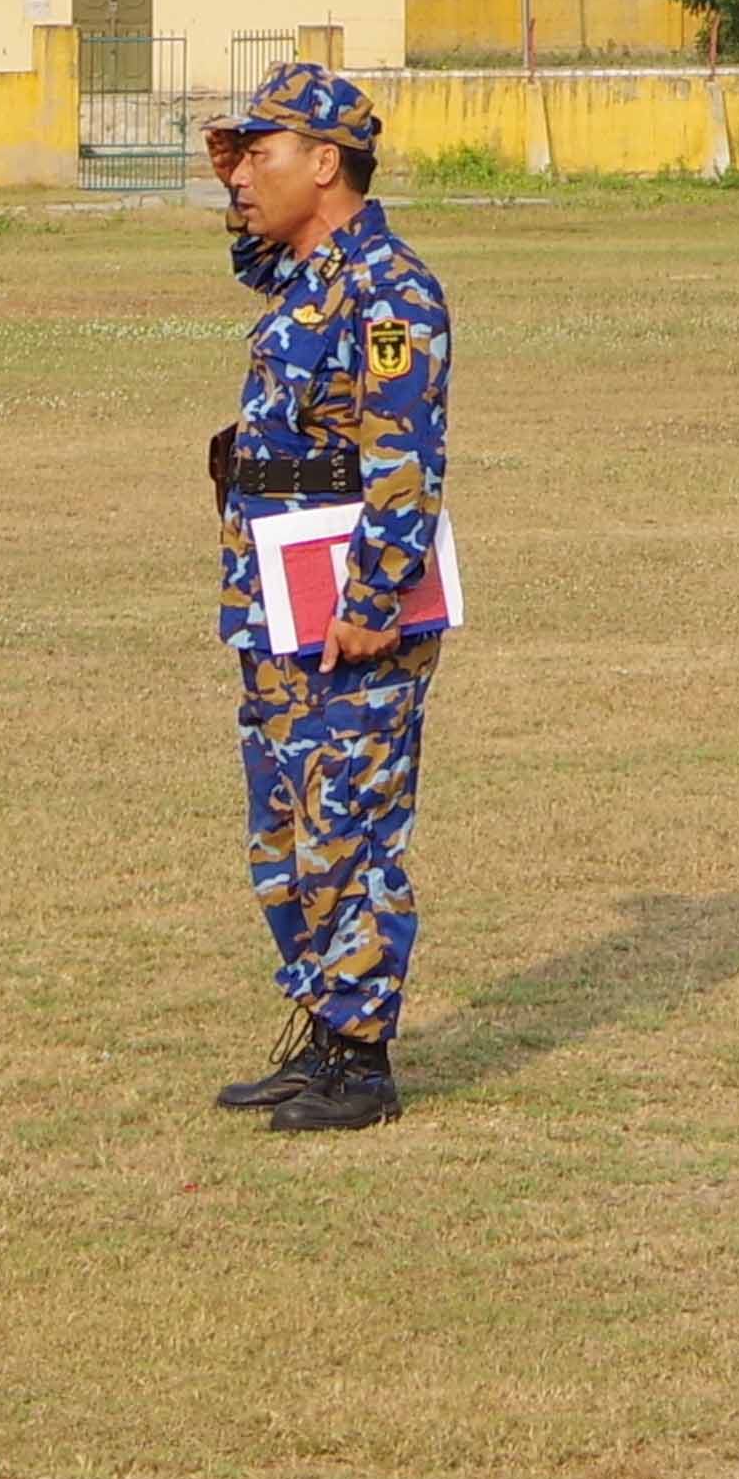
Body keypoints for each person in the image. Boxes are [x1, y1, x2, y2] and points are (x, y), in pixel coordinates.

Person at [198, 63, 447, 1134]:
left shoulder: (389, 291)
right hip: (276, 593)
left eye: (261, 155)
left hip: (352, 603)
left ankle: (362, 1060)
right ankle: (322, 1028)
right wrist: (242, 177)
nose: (240, 176)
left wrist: (376, 598)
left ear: (325, 163)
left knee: (350, 821)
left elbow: (404, 458)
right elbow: (251, 248)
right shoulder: (305, 274)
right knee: (287, 824)